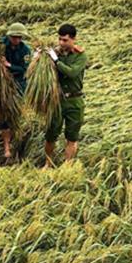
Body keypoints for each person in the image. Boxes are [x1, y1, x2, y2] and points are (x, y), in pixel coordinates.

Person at [0, 22, 31, 159]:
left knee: (15, 113)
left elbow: (24, 69)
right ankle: (6, 147)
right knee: (3, 115)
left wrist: (9, 65)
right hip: (1, 83)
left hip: (18, 83)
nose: (16, 40)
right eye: (14, 37)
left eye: (19, 37)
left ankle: (17, 141)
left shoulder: (25, 51)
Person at [44, 23, 87, 164]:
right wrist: (41, 56)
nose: (61, 43)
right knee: (51, 135)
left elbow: (72, 72)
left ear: (73, 39)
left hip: (74, 100)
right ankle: (47, 164)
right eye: (60, 39)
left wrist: (56, 61)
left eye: (65, 40)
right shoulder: (55, 53)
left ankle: (67, 166)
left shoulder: (80, 56)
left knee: (72, 136)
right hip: (57, 100)